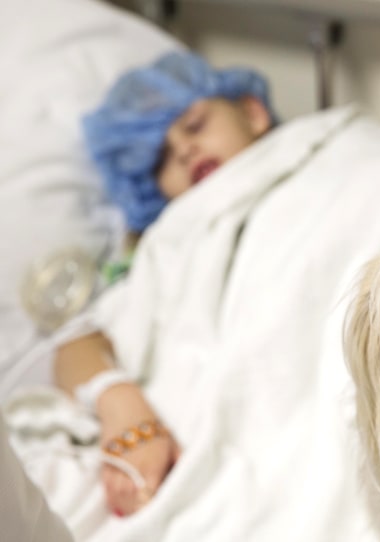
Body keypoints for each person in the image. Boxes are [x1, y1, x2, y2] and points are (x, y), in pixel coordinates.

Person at [55, 49, 278, 518]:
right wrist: (122, 404)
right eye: (160, 159)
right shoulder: (167, 240)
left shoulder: (341, 162)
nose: (183, 150)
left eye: (195, 125)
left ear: (253, 113)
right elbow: (75, 345)